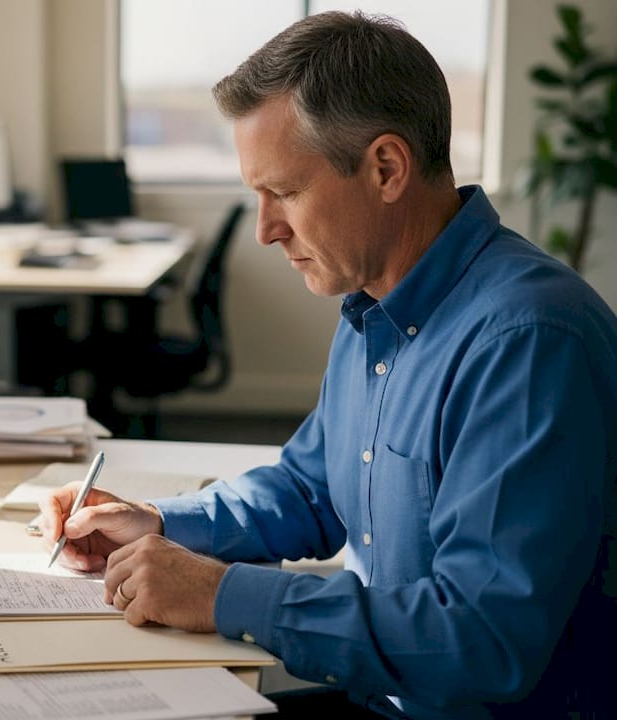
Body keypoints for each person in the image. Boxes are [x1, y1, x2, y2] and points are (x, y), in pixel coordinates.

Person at [41, 11, 616, 719]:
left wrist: (223, 594)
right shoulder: (376, 299)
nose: (265, 229)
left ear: (385, 168)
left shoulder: (528, 343)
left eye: (283, 192)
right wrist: (158, 523)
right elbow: (312, 488)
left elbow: (481, 641)